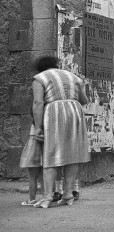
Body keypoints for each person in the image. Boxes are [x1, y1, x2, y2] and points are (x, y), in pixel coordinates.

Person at [31, 56, 90, 208]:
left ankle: (47, 197)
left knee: (50, 153)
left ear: (41, 67)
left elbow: (38, 103)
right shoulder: (73, 76)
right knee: (72, 153)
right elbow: (84, 100)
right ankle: (68, 194)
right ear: (56, 65)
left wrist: (38, 127)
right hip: (74, 111)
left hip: (54, 112)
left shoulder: (39, 78)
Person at [18, 109, 43, 206]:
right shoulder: (45, 125)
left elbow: (32, 141)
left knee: (33, 177)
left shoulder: (35, 126)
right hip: (43, 152)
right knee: (43, 177)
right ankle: (46, 197)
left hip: (34, 153)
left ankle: (32, 199)